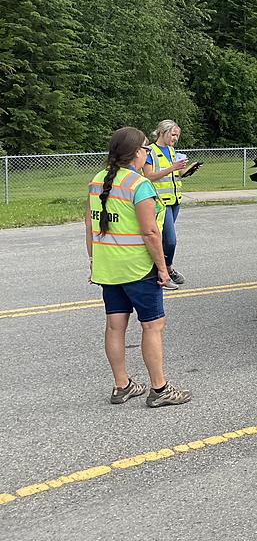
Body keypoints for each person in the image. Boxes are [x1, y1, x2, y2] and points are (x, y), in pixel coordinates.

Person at [86, 127, 191, 408]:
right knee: (152, 326)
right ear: (136, 153)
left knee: (114, 327)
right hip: (138, 267)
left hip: (109, 268)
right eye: (145, 148)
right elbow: (150, 233)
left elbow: (90, 227)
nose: (148, 152)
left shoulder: (97, 181)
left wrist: (94, 261)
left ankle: (122, 385)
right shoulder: (139, 185)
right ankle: (159, 388)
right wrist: (162, 268)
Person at [142, 120, 187, 290]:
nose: (175, 138)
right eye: (173, 134)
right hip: (160, 202)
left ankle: (158, 271)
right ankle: (167, 270)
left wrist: (185, 171)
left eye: (177, 135)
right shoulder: (150, 151)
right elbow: (149, 176)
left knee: (164, 239)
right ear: (162, 132)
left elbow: (175, 174)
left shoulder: (172, 150)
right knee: (170, 240)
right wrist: (172, 167)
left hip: (175, 200)